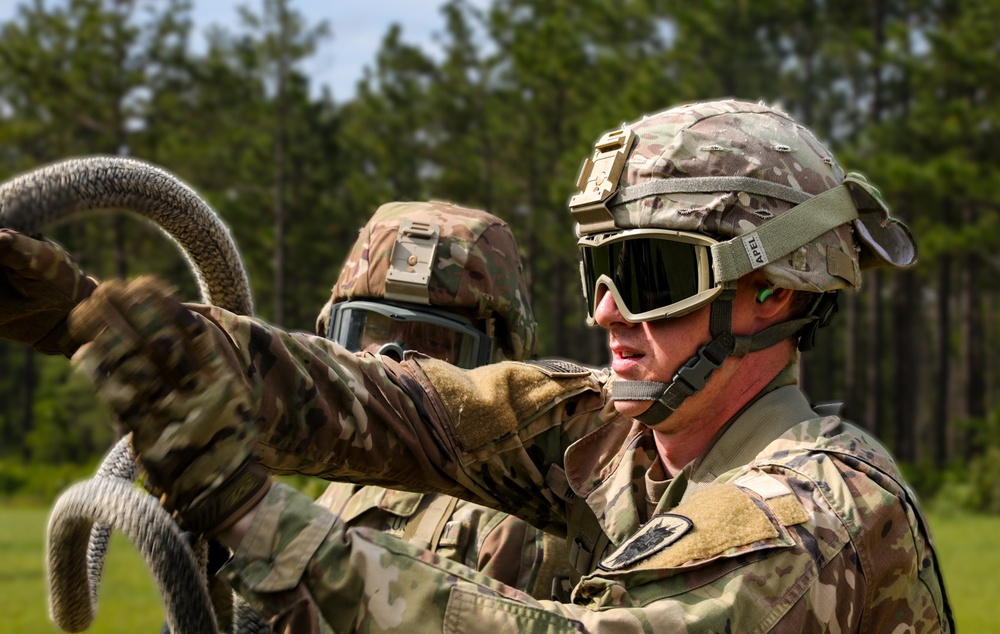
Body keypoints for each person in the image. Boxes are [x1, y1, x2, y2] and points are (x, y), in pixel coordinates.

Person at [10, 99, 951, 632]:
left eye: (649, 273)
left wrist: (252, 517)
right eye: (600, 270)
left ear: (775, 293)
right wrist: (87, 315)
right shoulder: (618, 432)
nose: (605, 310)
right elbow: (392, 402)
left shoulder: (809, 518)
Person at [313, 200, 570, 601]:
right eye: (373, 329)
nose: (391, 364)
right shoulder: (349, 477)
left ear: (501, 367)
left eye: (434, 343)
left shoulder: (513, 528)